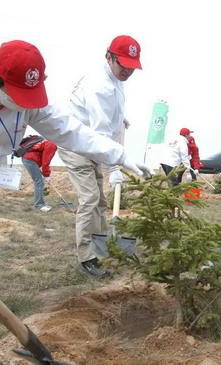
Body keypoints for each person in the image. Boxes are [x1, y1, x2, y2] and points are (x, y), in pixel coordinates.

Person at [0, 40, 151, 334]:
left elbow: (73, 131)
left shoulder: (32, 104)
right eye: (18, 92)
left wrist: (121, 157)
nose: (25, 101)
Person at [57, 35, 148, 279]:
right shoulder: (100, 85)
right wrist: (114, 168)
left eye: (132, 67)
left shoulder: (116, 81)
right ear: (109, 57)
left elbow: (111, 121)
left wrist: (120, 121)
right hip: (76, 146)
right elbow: (99, 133)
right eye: (123, 65)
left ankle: (102, 245)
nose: (128, 71)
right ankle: (87, 257)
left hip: (93, 145)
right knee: (89, 198)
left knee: (100, 201)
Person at [22, 137, 57, 212]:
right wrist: (47, 175)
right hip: (30, 160)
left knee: (39, 181)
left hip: (30, 159)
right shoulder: (52, 144)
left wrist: (45, 173)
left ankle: (40, 203)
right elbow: (46, 162)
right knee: (39, 181)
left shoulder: (48, 141)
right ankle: (39, 205)